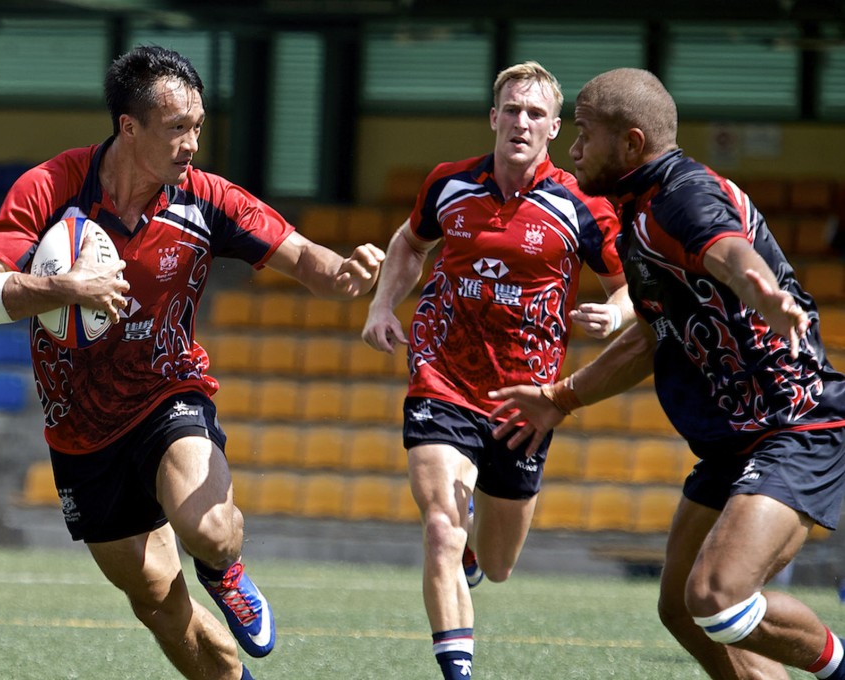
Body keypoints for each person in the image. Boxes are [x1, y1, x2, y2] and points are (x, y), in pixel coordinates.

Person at [0, 46, 384, 680]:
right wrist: (64, 288)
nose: (193, 143)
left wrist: (343, 274)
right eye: (178, 127)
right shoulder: (51, 188)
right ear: (129, 127)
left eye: (199, 126)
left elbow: (300, 256)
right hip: (79, 430)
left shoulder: (206, 198)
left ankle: (224, 570)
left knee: (210, 530)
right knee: (157, 600)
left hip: (167, 394)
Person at [489, 67, 845, 680]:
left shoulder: (682, 196)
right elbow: (652, 337)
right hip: (734, 441)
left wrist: (759, 287)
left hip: (796, 425)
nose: (573, 149)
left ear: (631, 143)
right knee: (682, 607)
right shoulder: (637, 211)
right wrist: (561, 397)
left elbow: (727, 249)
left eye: (585, 134)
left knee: (716, 597)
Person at [361, 61, 632, 680]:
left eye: (535, 113)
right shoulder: (448, 183)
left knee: (499, 563)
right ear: (493, 118)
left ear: (554, 128)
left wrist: (614, 315)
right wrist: (381, 305)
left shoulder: (583, 205)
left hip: (525, 399)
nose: (521, 122)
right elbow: (409, 243)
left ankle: (476, 556)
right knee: (441, 526)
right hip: (441, 378)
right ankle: (458, 670)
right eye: (511, 109)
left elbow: (627, 289)